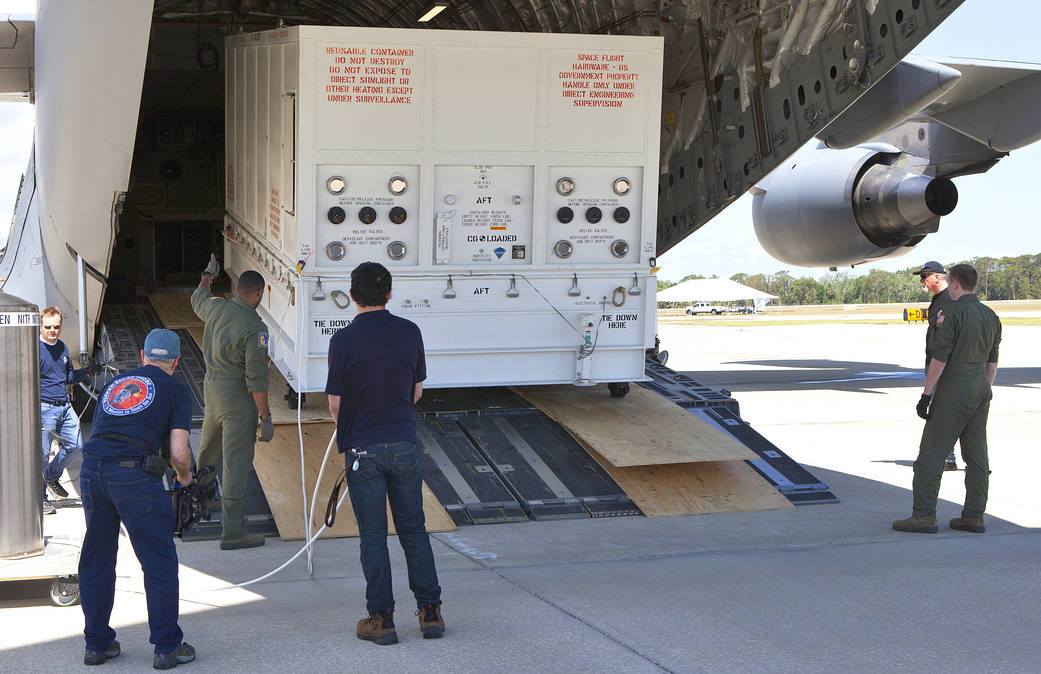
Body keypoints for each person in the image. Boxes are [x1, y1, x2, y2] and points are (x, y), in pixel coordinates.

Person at [326, 261, 443, 646]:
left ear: (352, 296)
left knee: (373, 536)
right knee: (414, 530)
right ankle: (430, 612)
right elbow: (417, 391)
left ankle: (382, 619)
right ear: (389, 294)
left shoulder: (342, 341)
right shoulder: (410, 332)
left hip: (363, 448)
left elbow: (335, 404)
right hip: (404, 443)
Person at [78, 329, 197, 669]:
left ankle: (97, 644)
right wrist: (184, 474)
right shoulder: (176, 388)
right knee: (158, 562)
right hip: (133, 477)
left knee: (97, 559)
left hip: (92, 472)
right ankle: (166, 648)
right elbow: (178, 451)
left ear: (143, 356)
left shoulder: (117, 384)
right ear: (175, 362)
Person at [893, 264, 1001, 535]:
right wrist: (983, 391)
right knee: (977, 455)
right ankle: (974, 515)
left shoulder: (951, 313)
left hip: (955, 386)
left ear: (954, 284)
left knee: (932, 453)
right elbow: (993, 362)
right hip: (980, 386)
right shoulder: (991, 315)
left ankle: (924, 516)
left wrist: (926, 394)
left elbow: (939, 359)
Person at [191, 265, 273, 549]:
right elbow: (256, 380)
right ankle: (234, 532)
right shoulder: (256, 329)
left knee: (209, 450)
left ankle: (193, 506)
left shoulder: (216, 309)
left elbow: (198, 296)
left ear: (237, 290)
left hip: (212, 392)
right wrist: (266, 417)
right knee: (236, 464)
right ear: (260, 293)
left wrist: (207, 275)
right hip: (237, 399)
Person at [39, 306, 98, 514]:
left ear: (60, 326)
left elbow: (68, 378)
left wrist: (86, 372)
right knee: (43, 454)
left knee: (77, 446)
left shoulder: (62, 347)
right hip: (45, 408)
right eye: (48, 327)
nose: (52, 331)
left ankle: (52, 476)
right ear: (41, 326)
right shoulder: (36, 349)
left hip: (64, 405)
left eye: (56, 327)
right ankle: (41, 499)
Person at [912, 261, 959, 471]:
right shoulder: (938, 300)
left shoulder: (948, 300)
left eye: (925, 276)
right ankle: (946, 456)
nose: (922, 280)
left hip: (940, 365)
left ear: (938, 277)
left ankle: (947, 458)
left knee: (940, 411)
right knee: (940, 412)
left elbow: (946, 340)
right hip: (934, 363)